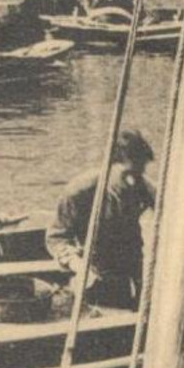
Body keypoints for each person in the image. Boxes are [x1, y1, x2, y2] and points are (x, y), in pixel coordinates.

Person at [45, 128, 157, 310]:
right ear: (109, 166)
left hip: (132, 265)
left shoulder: (143, 187)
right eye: (128, 174)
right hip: (93, 269)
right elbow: (56, 238)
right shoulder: (79, 191)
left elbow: (172, 216)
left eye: (139, 173)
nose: (133, 182)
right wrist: (77, 264)